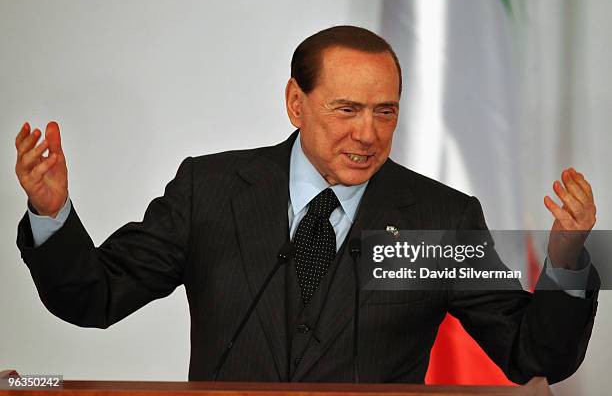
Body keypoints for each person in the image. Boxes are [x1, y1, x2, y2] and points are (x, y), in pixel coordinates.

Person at [14, 26, 598, 383]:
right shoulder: (211, 191)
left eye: (386, 111)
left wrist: (568, 256)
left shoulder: (438, 218)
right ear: (296, 102)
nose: (369, 134)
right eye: (347, 110)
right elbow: (95, 296)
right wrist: (51, 216)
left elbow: (530, 352)